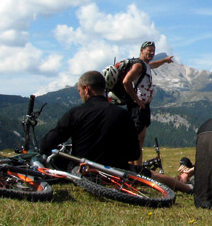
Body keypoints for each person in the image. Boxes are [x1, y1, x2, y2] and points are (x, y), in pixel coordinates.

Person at [39, 70, 192, 194]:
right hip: (118, 171)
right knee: (154, 176)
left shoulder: (75, 113)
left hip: (83, 171)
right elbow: (133, 154)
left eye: (80, 91)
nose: (80, 94)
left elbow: (46, 145)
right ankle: (188, 188)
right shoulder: (121, 114)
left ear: (87, 88)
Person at [122, 41, 174, 164]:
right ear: (142, 50)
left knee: (140, 138)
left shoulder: (146, 65)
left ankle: (135, 168)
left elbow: (153, 65)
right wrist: (136, 99)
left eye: (153, 51)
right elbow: (126, 81)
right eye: (149, 50)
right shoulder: (139, 65)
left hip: (143, 106)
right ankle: (136, 170)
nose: (151, 53)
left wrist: (165, 60)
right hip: (137, 106)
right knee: (137, 140)